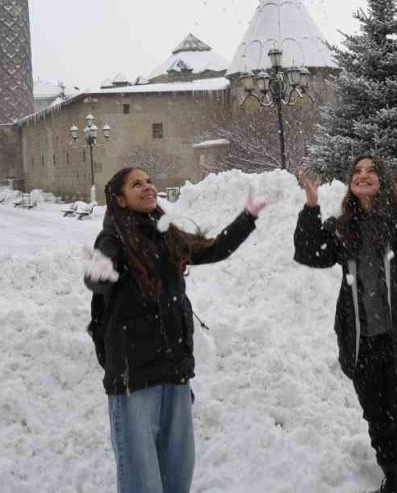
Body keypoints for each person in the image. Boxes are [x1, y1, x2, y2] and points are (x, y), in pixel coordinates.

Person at [84, 167, 267, 493]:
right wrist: (99, 270)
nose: (147, 187)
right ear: (120, 200)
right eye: (136, 184)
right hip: (134, 378)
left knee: (177, 473)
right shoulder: (113, 238)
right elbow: (98, 274)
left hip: (174, 369)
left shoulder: (166, 233)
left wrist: (248, 216)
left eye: (149, 181)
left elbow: (213, 249)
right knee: (143, 480)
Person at [294, 156, 397, 493]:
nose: (363, 175)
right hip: (362, 341)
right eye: (357, 171)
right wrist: (311, 205)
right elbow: (309, 252)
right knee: (376, 415)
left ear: (382, 180)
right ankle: (392, 473)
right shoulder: (344, 226)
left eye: (371, 170)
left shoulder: (396, 219)